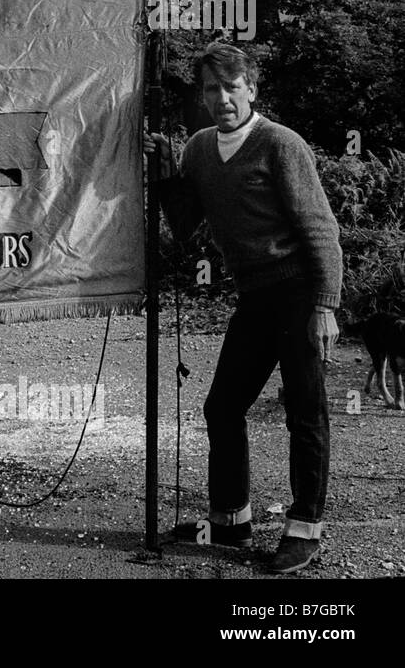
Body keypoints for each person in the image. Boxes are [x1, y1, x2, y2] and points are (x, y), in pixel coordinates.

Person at [145, 42, 342, 574]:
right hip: (255, 297)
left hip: (300, 291)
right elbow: (186, 225)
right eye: (213, 89)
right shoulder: (200, 148)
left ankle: (303, 531)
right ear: (203, 97)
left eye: (233, 87)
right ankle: (231, 520)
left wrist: (325, 305)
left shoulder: (281, 144)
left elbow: (322, 229)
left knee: (305, 413)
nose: (224, 98)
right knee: (222, 407)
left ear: (252, 89)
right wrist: (163, 175)